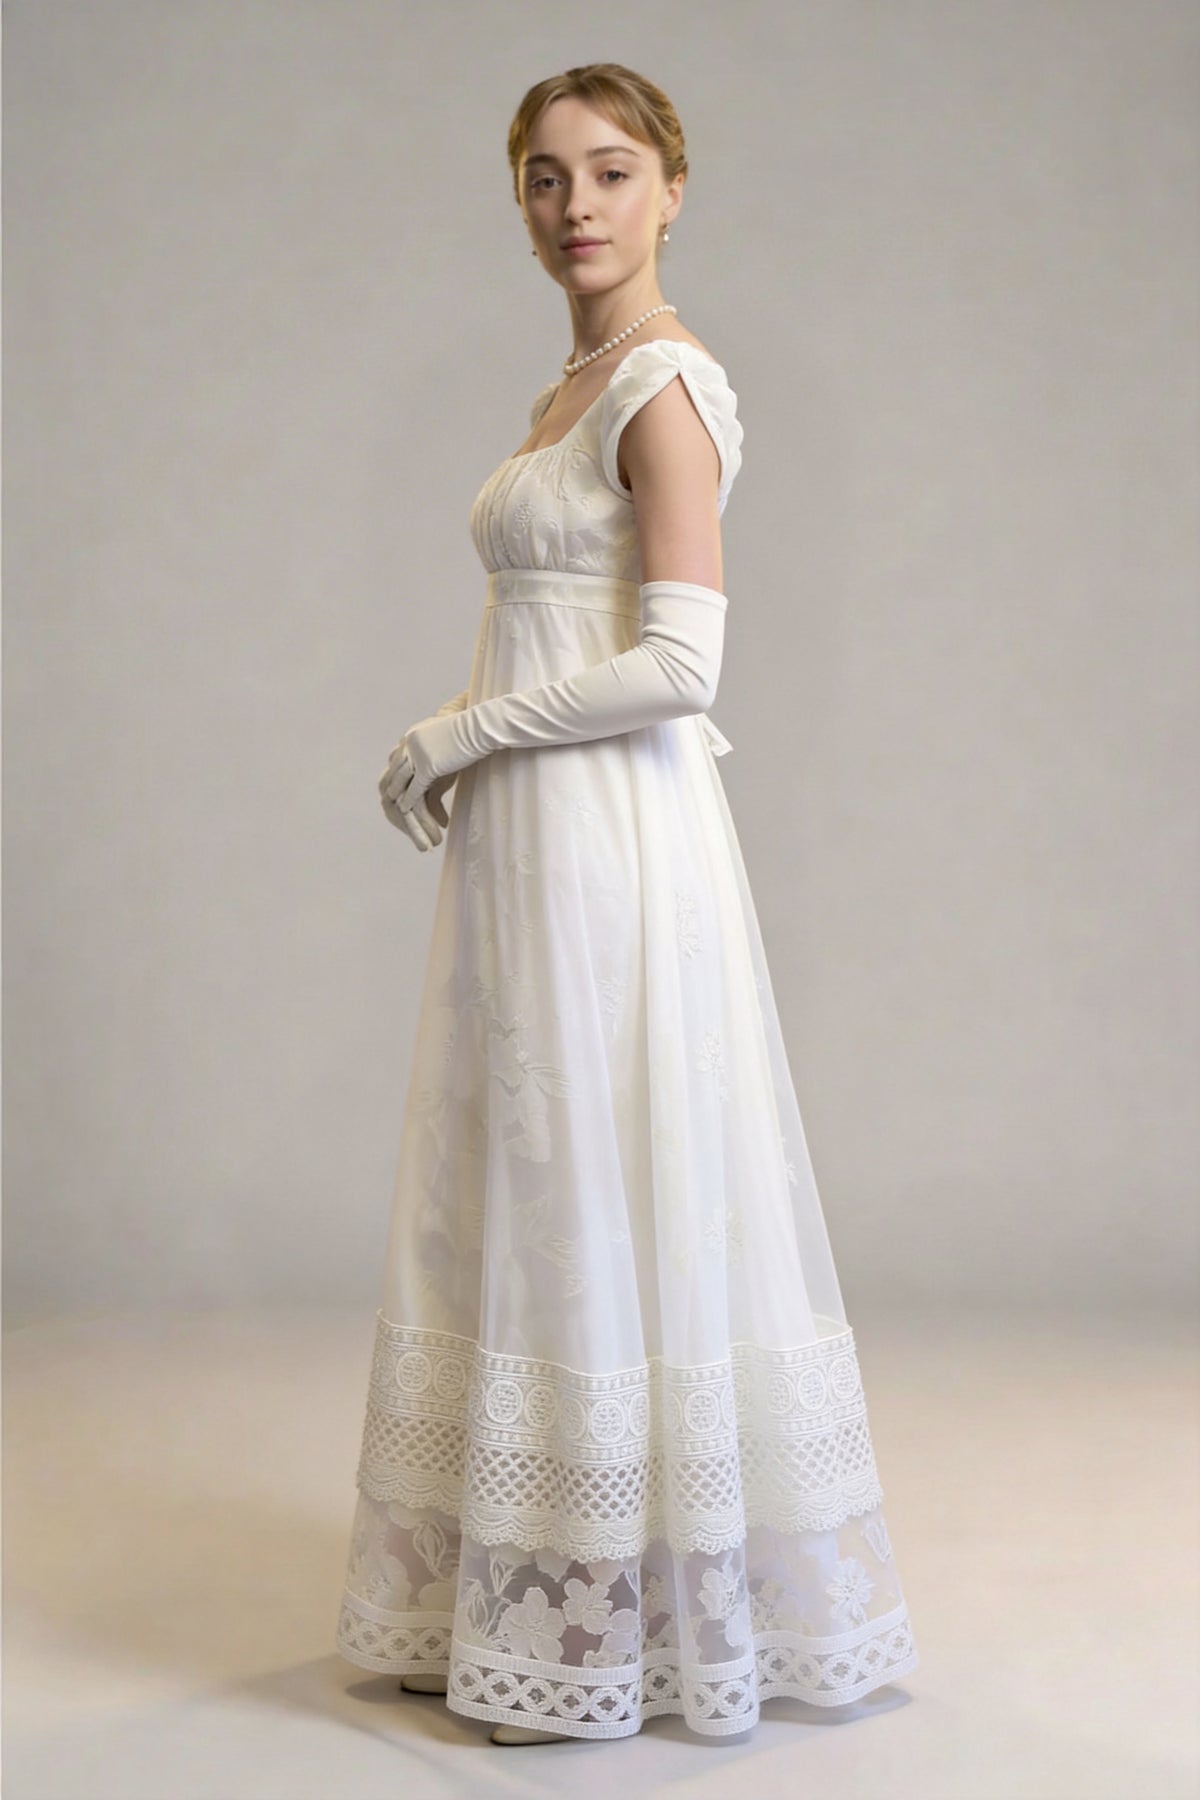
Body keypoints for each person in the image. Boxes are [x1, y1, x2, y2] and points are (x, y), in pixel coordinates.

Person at [336, 61, 918, 1746]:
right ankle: (517, 1598)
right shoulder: (567, 388)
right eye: (542, 176)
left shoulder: (662, 385)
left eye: (607, 170)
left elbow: (681, 664)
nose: (573, 205)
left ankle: (590, 1639)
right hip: (526, 843)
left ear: (672, 187)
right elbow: (553, 619)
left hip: (606, 840)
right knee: (523, 1177)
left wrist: (462, 735)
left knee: (589, 1173)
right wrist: (471, 746)